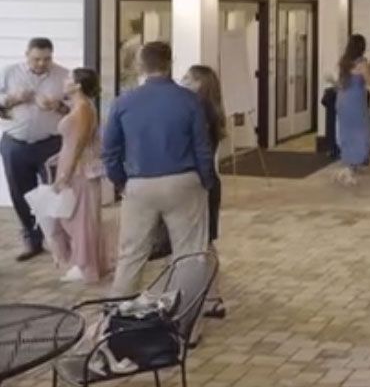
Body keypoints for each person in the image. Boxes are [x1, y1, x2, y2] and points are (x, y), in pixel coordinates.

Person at [103, 42, 215, 296]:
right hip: (184, 181)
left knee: (131, 255)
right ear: (170, 62)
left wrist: (121, 182)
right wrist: (206, 181)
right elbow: (202, 146)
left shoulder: (124, 102)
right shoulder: (189, 100)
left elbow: (110, 150)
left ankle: (119, 318)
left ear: (141, 66)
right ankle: (187, 324)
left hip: (140, 182)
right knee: (189, 255)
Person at [0, 37, 70, 261]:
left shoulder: (64, 75)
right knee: (21, 194)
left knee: (55, 193)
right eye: (36, 59)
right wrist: (12, 99)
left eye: (46, 59)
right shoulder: (9, 73)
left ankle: (59, 242)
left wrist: (57, 105)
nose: (41, 64)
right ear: (26, 55)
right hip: (15, 143)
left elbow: (76, 107)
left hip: (50, 143)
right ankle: (32, 240)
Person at [49, 68, 107, 283]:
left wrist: (66, 172)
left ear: (77, 85)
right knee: (70, 216)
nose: (64, 81)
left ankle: (85, 264)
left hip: (79, 169)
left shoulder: (83, 108)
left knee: (80, 217)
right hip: (71, 163)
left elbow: (80, 143)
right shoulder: (78, 107)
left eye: (69, 79)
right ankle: (80, 261)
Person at [180, 65, 227, 318]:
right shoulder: (211, 110)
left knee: (202, 243)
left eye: (188, 78)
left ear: (200, 83)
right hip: (206, 181)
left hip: (201, 182)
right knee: (204, 241)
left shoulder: (200, 112)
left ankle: (211, 296)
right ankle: (211, 296)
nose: (182, 81)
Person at [335, 34, 370, 186]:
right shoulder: (361, 63)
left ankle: (350, 163)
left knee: (348, 132)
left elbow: (340, 81)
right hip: (356, 101)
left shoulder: (344, 62)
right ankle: (350, 167)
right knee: (363, 132)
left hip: (343, 99)